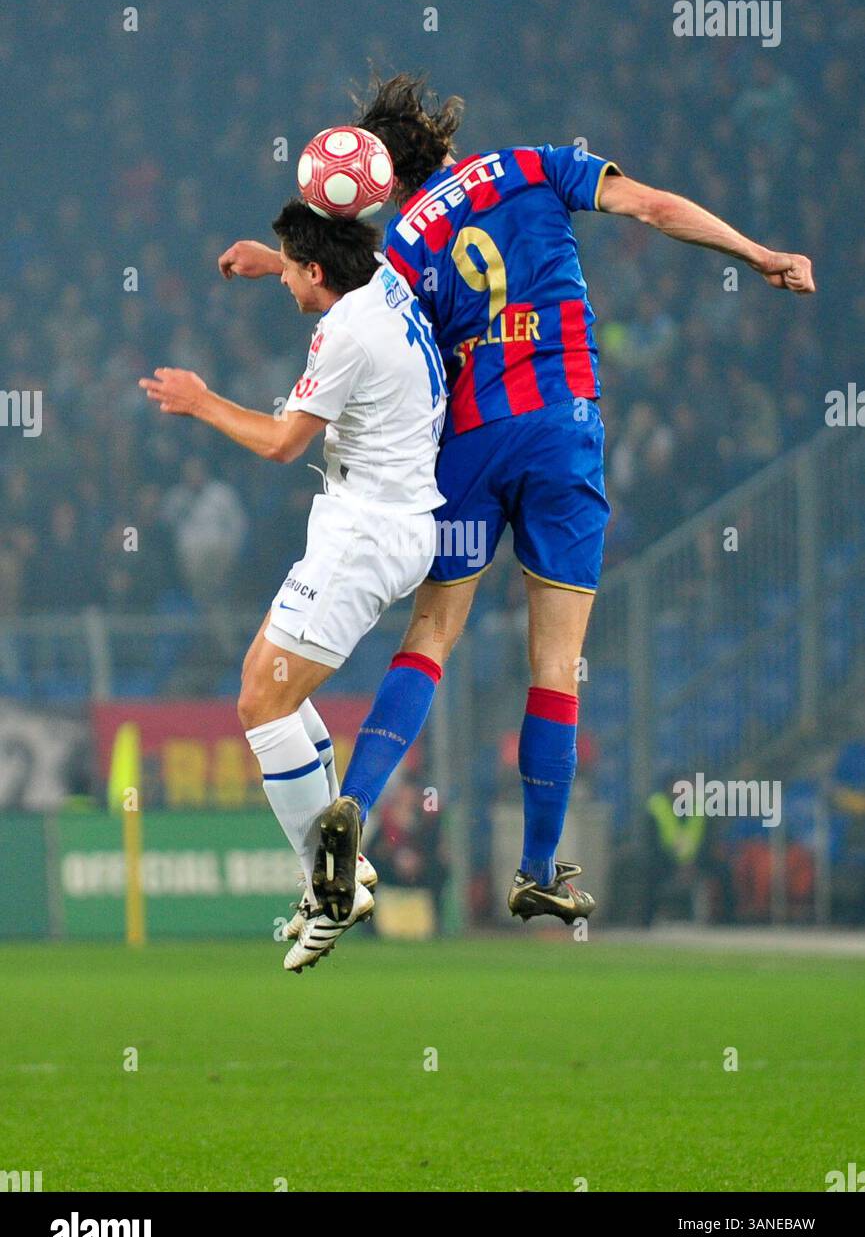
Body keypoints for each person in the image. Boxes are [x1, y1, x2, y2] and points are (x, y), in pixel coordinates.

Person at [219, 73, 815, 930]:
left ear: (383, 180)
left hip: (468, 444)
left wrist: (272, 260)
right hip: (560, 427)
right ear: (444, 141)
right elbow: (651, 208)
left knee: (429, 636)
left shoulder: (403, 248)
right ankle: (537, 869)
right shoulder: (533, 166)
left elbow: (358, 303)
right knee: (556, 661)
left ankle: (350, 808)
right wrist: (757, 254)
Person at [141, 199, 446, 971]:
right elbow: (330, 275)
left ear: (318, 272)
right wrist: (270, 259)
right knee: (268, 692)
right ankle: (345, 870)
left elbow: (282, 443)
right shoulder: (387, 284)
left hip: (365, 534)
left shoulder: (342, 334)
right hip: (395, 520)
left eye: (291, 271)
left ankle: (330, 886)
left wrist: (199, 400)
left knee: (258, 702)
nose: (286, 284)